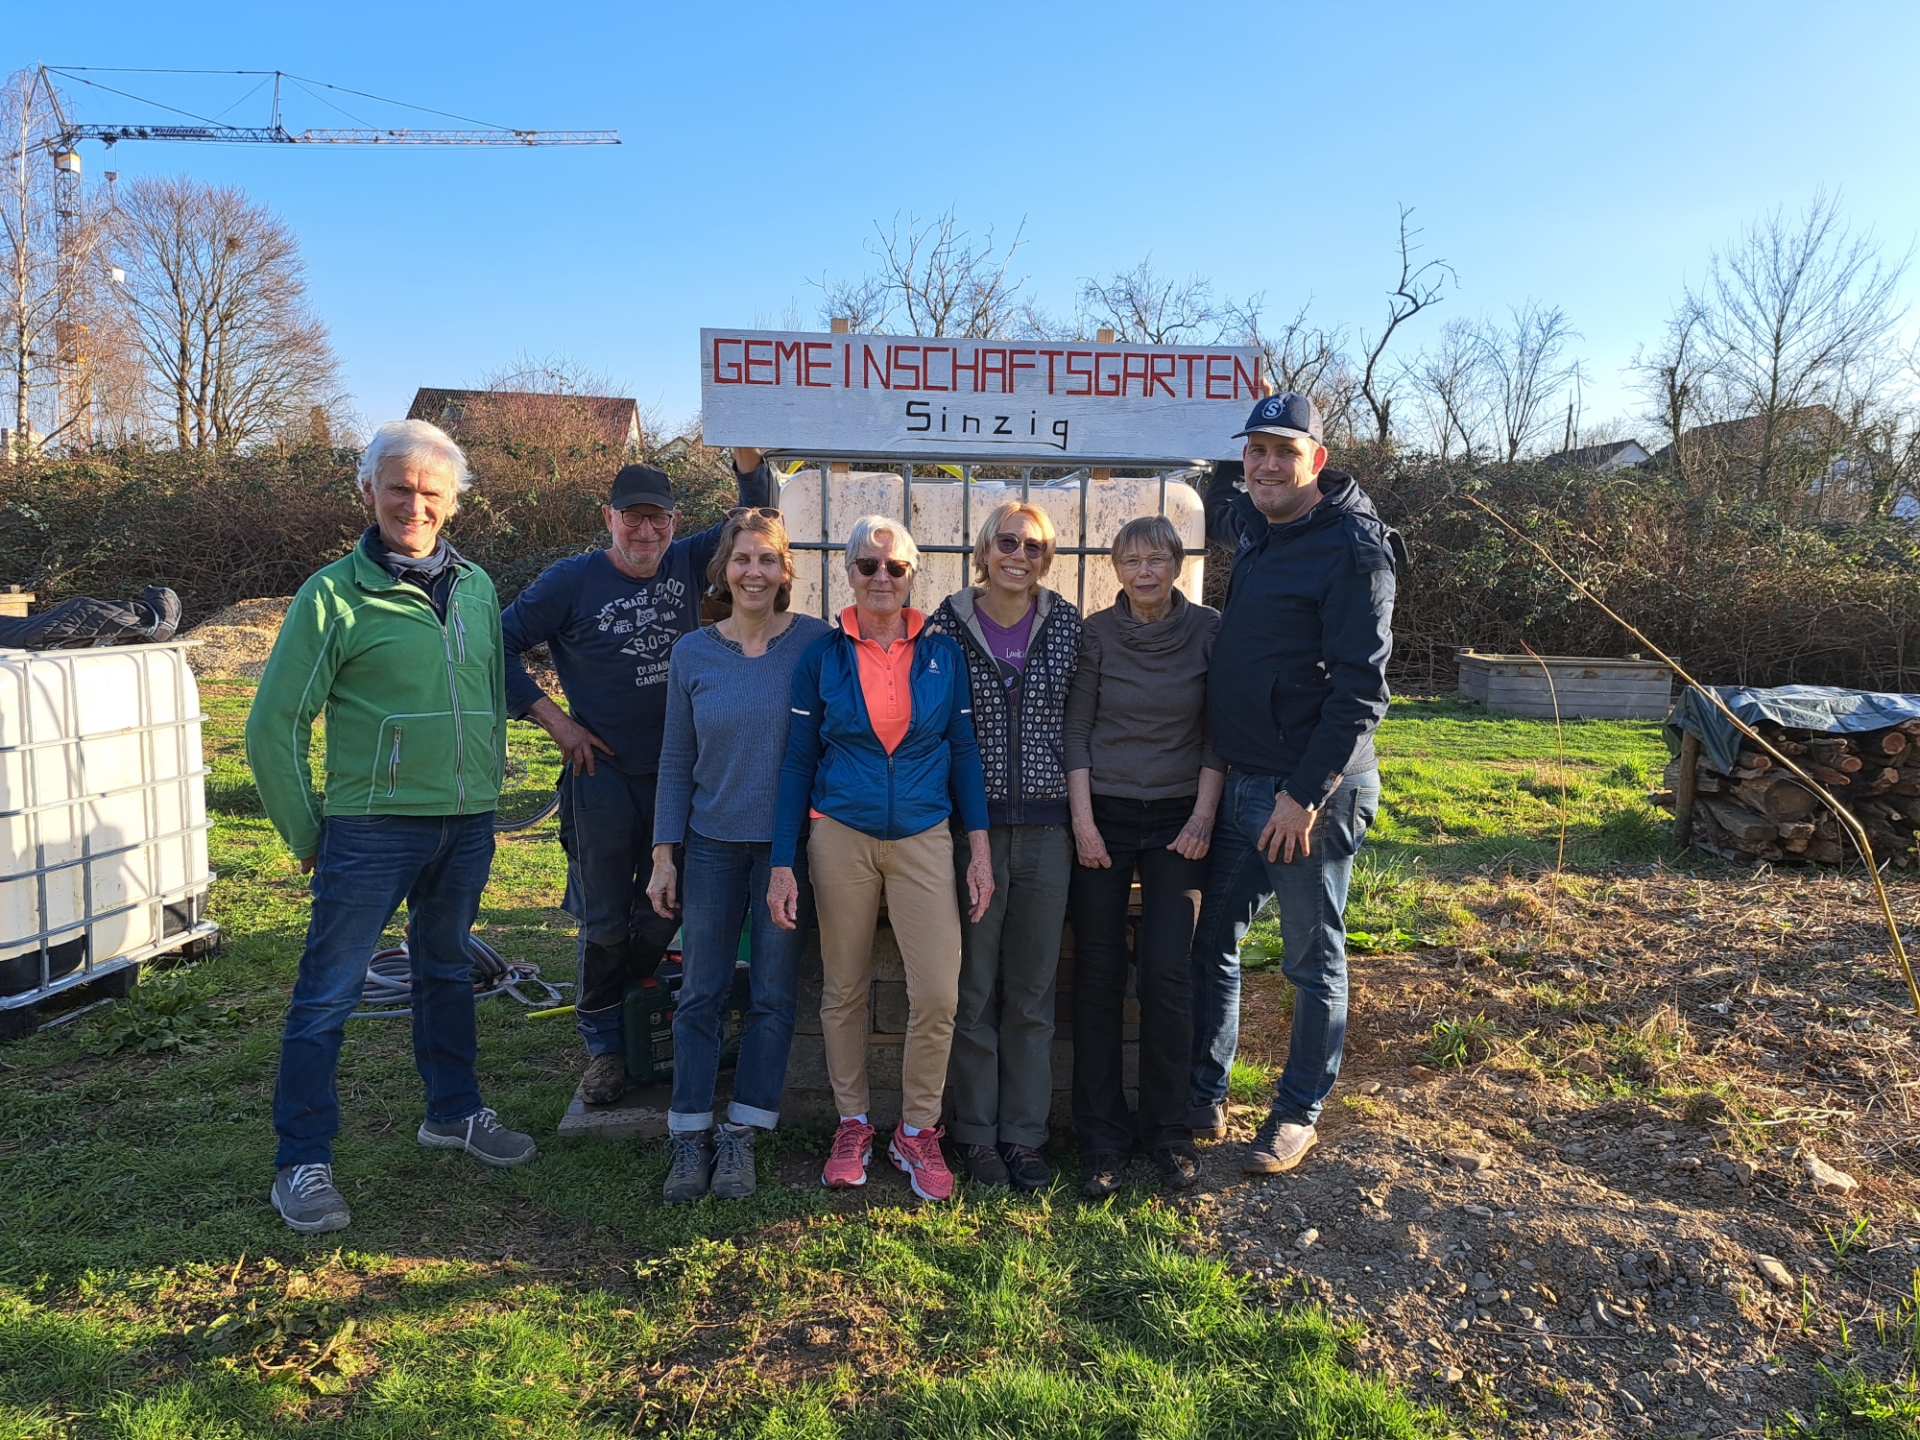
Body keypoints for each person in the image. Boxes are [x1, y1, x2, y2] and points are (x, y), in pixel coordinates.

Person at [247, 419, 535, 1235]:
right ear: (368, 491)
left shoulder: (477, 586)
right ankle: (301, 1159)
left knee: (446, 971)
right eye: (400, 489)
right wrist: (310, 834)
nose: (415, 505)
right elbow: (272, 726)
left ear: (454, 502)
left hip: (465, 823)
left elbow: (486, 693)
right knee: (328, 993)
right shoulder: (332, 594)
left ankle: (454, 1111)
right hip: (370, 829)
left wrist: (482, 786)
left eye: (431, 493)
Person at [501, 448, 774, 1105]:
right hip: (603, 774)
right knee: (603, 918)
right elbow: (494, 643)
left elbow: (752, 515)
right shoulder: (570, 583)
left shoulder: (686, 561)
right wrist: (558, 725)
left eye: (659, 521)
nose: (647, 534)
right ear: (609, 519)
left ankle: (633, 1012)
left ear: (676, 523)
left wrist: (746, 462)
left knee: (664, 907)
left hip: (679, 775)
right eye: (633, 520)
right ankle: (605, 1047)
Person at [1189, 392, 1399, 1174]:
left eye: (1285, 450)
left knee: (1312, 957)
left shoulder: (1353, 549)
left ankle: (1297, 1112)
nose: (1267, 464)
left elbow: (1360, 692)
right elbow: (1218, 499)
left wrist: (1304, 794)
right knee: (1214, 941)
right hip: (1243, 780)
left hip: (1309, 794)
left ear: (1318, 458)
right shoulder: (1257, 522)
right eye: (1255, 451)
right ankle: (1205, 1094)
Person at [768, 515, 994, 1202]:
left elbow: (963, 754)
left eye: (895, 567)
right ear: (849, 573)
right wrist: (784, 860)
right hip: (840, 832)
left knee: (937, 992)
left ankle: (917, 1130)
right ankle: (854, 1121)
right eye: (868, 566)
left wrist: (977, 849)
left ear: (912, 574)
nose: (882, 578)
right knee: (844, 988)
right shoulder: (823, 657)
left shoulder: (943, 654)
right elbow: (798, 759)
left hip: (926, 834)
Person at [646, 510, 831, 1203]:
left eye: (768, 560)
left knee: (774, 994)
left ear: (787, 572)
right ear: (724, 569)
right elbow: (674, 757)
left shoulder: (814, 643)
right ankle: (688, 1134)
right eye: (742, 559)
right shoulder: (694, 652)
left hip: (789, 850)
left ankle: (741, 1136)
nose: (754, 572)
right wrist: (666, 853)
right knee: (700, 991)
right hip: (714, 843)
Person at [1063, 515, 1224, 1196]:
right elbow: (1076, 731)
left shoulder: (1210, 631)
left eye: (1158, 559)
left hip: (1179, 820)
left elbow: (1221, 730)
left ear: (1178, 565)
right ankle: (1100, 1136)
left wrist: (1202, 819)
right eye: (1132, 561)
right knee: (1097, 974)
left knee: (1166, 974)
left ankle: (1167, 1130)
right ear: (1116, 568)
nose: (1146, 572)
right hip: (1103, 816)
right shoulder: (1095, 632)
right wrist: (1084, 824)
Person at [924, 502, 1079, 1191]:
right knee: (974, 988)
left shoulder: (1069, 625)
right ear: (983, 551)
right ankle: (977, 1136)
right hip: (971, 831)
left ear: (1047, 558)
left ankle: (1024, 1135)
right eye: (1007, 542)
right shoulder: (944, 626)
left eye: (1034, 545)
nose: (1020, 554)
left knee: (1034, 993)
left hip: (1050, 830)